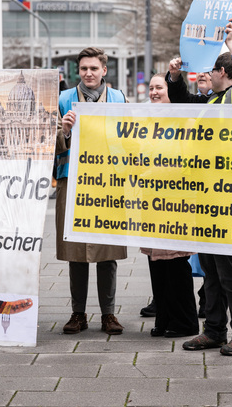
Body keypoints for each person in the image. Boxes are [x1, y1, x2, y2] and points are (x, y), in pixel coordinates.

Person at [167, 18, 232, 356]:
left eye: (211, 72)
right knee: (211, 269)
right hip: (206, 196)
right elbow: (180, 102)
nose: (205, 78)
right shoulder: (212, 102)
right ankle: (215, 330)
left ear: (223, 72)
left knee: (230, 270)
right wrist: (174, 76)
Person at [55, 47, 127, 336]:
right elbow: (48, 140)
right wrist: (65, 131)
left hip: (107, 181)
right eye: (84, 68)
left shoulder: (119, 98)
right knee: (76, 251)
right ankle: (78, 313)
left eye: (94, 68)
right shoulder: (63, 99)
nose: (88, 73)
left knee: (106, 251)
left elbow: (130, 135)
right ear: (78, 71)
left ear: (104, 70)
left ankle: (109, 314)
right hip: (72, 180)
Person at [139, 74, 199, 338]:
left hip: (176, 201)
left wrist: (156, 171)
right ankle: (163, 319)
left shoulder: (184, 120)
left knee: (175, 262)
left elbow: (187, 159)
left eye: (159, 87)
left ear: (170, 90)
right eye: (151, 88)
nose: (153, 92)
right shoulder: (146, 119)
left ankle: (184, 322)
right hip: (151, 200)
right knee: (157, 262)